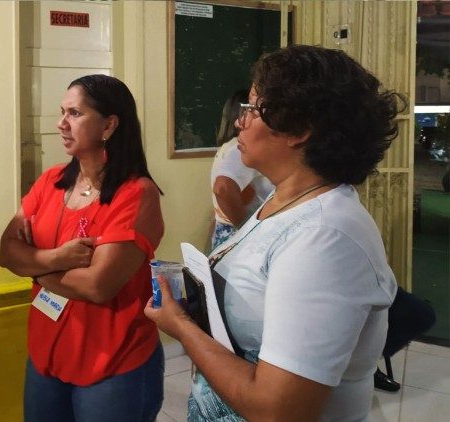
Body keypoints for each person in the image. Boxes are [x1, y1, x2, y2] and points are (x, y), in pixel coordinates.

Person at [145, 45, 404, 421]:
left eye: (252, 109)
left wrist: (182, 328)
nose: (239, 122)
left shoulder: (324, 237)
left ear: (299, 129)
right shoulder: (281, 202)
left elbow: (278, 410)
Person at [0, 74, 165, 422]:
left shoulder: (135, 193)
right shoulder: (51, 181)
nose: (61, 123)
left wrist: (34, 267)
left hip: (111, 361)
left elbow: (97, 286)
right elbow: (7, 252)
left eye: (74, 113)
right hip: (47, 354)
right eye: (62, 112)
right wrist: (56, 259)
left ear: (109, 124)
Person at [210, 88, 273, 249]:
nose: (241, 121)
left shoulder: (227, 147)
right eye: (248, 109)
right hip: (236, 231)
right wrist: (247, 230)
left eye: (252, 110)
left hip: (225, 227)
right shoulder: (239, 148)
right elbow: (222, 188)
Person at [374, 286, 436, 392]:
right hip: (343, 287)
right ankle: (360, 366)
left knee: (422, 314)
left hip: (376, 280)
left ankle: (364, 362)